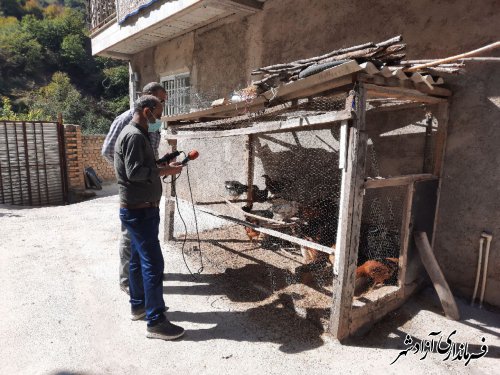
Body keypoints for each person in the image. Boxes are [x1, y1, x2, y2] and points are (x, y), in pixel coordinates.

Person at [114, 94, 184, 340]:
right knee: (153, 263)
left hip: (139, 209)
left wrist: (162, 163)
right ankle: (155, 321)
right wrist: (166, 169)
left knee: (136, 258)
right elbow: (135, 173)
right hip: (140, 210)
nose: (160, 118)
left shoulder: (136, 134)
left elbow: (142, 166)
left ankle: (139, 305)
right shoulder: (133, 135)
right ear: (147, 111)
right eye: (159, 112)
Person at [101, 82, 167, 294]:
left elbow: (152, 145)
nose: (162, 106)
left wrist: (156, 166)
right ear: (146, 100)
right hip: (134, 190)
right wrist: (127, 173)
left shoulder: (153, 122)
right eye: (160, 101)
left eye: (164, 101)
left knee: (147, 237)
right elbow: (108, 151)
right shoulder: (125, 121)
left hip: (149, 184)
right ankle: (127, 281)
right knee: (130, 237)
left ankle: (143, 274)